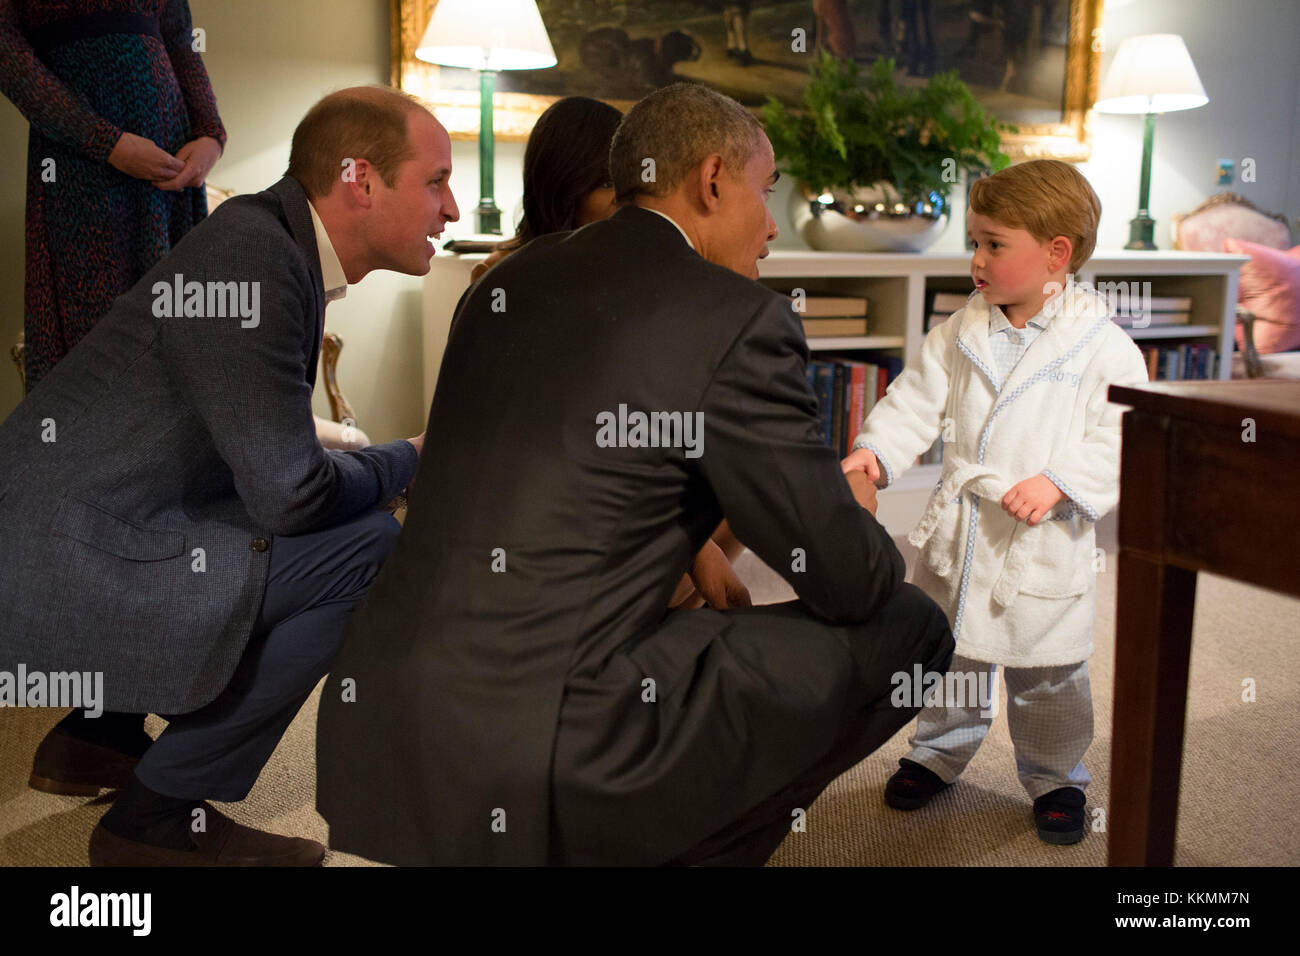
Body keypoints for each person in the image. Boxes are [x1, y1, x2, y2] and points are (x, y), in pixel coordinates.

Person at [315, 82, 954, 866]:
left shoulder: (501, 284)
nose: (772, 225)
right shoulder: (739, 319)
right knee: (913, 625)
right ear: (713, 179)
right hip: (551, 744)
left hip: (380, 720)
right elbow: (847, 582)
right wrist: (854, 512)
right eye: (767, 190)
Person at [0, 85, 459, 866]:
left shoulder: (267, 241)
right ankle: (155, 817)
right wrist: (413, 456)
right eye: (437, 180)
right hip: (58, 561)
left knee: (277, 530)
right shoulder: (256, 258)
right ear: (360, 180)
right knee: (368, 548)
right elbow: (294, 496)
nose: (449, 210)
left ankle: (95, 738)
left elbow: (257, 459)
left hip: (80, 527)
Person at [842, 159, 1149, 844]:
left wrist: (1063, 481)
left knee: (1049, 672)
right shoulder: (961, 330)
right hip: (967, 527)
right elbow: (916, 398)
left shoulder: (1103, 347)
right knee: (955, 655)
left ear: (1056, 253)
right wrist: (878, 451)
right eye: (973, 242)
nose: (975, 260)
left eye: (993, 244)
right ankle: (937, 752)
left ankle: (1057, 775)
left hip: (1044, 537)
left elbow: (1121, 431)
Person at [470, 94, 744, 609]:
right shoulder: (506, 280)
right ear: (564, 190)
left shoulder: (631, 269)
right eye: (609, 189)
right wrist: (691, 541)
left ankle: (668, 619)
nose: (628, 207)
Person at [0, 0, 226, 392]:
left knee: (177, 333)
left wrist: (210, 134)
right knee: (97, 341)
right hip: (81, 167)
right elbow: (6, 50)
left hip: (170, 165)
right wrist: (105, 142)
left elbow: (180, 40)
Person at [470, 96, 622, 284]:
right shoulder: (500, 275)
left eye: (628, 180)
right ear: (564, 188)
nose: (626, 197)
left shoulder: (638, 266)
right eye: (607, 184)